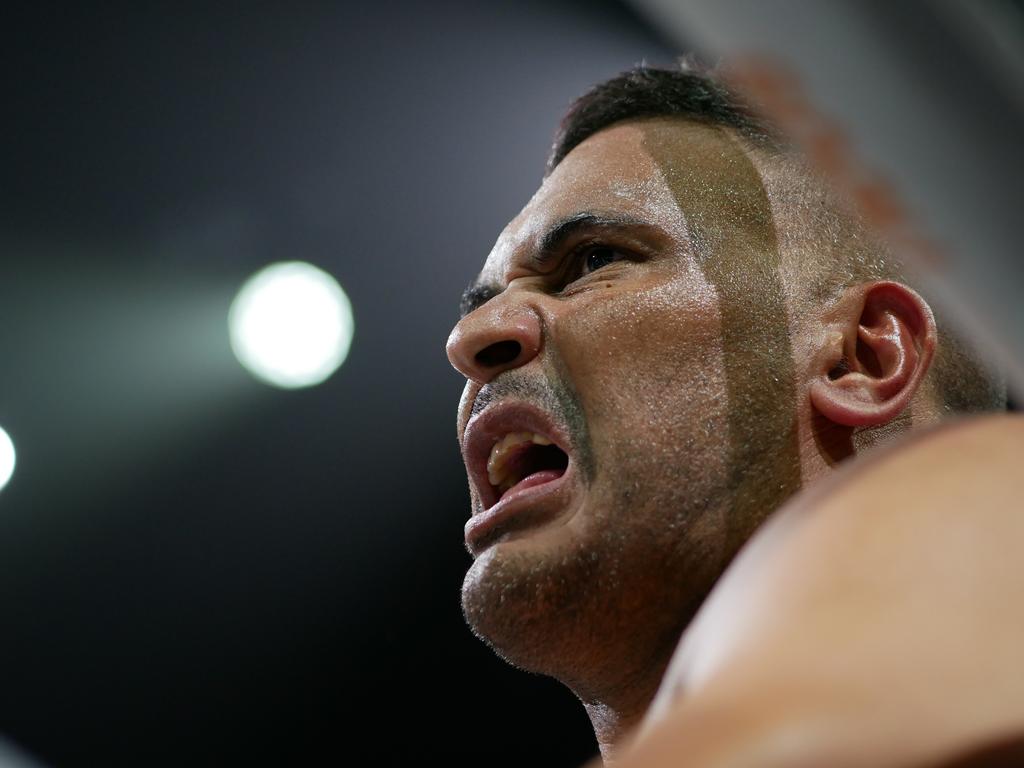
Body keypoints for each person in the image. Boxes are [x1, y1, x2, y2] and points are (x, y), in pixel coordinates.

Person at [444, 62, 1019, 766]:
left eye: (592, 260)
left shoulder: (993, 495)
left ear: (861, 360)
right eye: (479, 306)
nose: (470, 340)